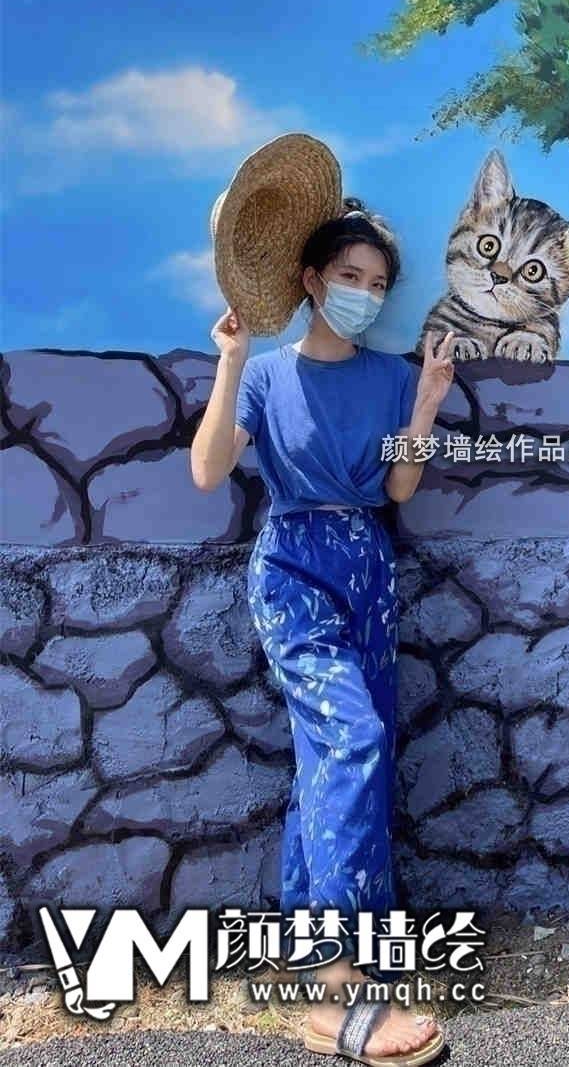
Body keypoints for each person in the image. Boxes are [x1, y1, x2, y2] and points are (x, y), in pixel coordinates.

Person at [191, 196, 455, 1065]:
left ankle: (318, 949)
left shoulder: (389, 377)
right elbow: (208, 469)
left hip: (368, 567)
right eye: (350, 276)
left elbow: (399, 490)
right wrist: (231, 359)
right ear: (311, 280)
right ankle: (335, 992)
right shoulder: (267, 375)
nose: (364, 295)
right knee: (353, 738)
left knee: (330, 760)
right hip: (294, 565)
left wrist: (424, 406)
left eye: (377, 284)